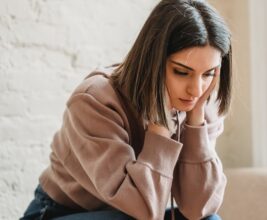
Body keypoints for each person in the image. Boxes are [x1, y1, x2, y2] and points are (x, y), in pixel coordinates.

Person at [20, 0, 232, 219]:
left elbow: (199, 208)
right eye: (181, 72)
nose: (196, 90)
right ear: (153, 60)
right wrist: (159, 127)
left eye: (208, 73)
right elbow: (144, 210)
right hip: (60, 212)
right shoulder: (95, 101)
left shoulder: (201, 105)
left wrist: (195, 122)